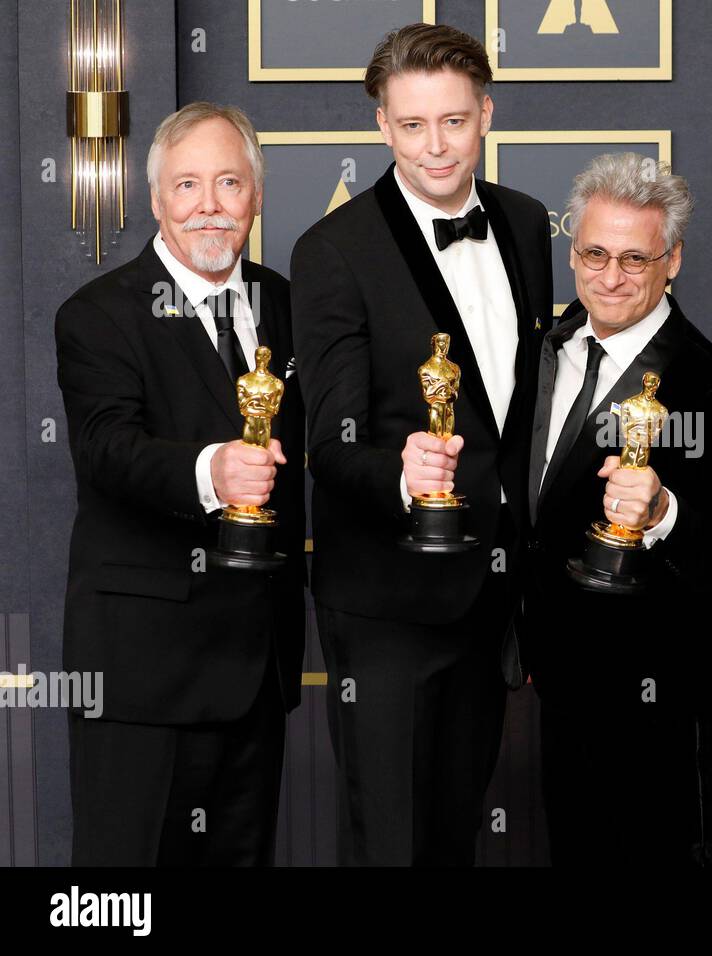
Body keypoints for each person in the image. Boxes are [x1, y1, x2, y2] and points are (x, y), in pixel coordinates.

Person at [289, 23, 552, 865]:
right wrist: (401, 477)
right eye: (411, 125)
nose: (434, 146)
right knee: (393, 841)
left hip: (493, 591)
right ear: (381, 126)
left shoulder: (524, 222)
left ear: (486, 113)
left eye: (452, 121)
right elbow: (328, 441)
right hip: (387, 599)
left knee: (454, 832)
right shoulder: (332, 250)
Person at [55, 102, 305, 865]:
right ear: (157, 199)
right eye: (188, 184)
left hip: (257, 669)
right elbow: (107, 450)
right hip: (141, 674)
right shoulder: (97, 315)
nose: (209, 205)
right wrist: (211, 470)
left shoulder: (289, 306)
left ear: (256, 197)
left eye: (229, 183)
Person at [522, 154, 712, 864]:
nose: (610, 277)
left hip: (656, 696)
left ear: (672, 259)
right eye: (594, 253)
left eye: (633, 258)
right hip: (554, 679)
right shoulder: (545, 349)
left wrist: (664, 514)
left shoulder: (710, 384)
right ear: (572, 248)